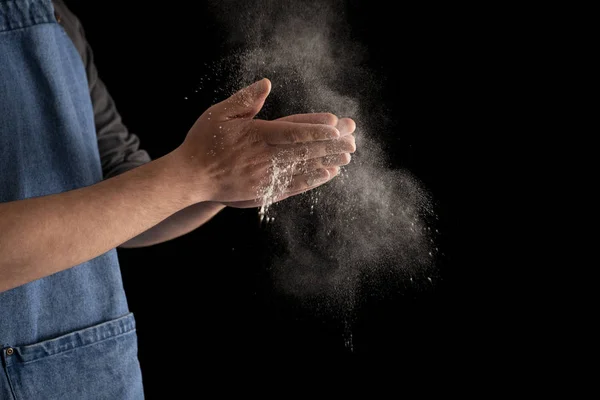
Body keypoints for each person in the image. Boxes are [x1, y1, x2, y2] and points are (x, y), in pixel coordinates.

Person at [0, 0, 356, 398]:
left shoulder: (54, 15)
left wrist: (225, 183)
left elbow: (119, 190)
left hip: (90, 375)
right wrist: (199, 173)